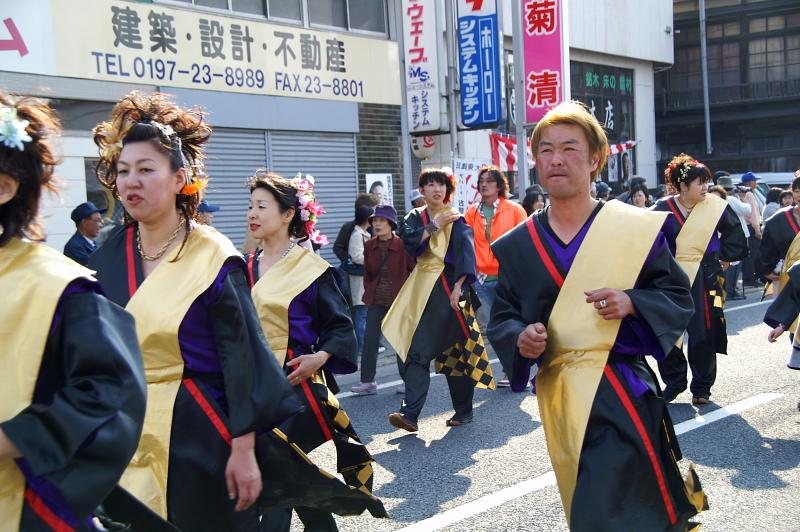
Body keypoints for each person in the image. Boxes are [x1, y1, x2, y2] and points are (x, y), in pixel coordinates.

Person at [89, 91, 356, 531]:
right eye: (122, 171)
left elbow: (241, 356)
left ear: (180, 179)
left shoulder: (212, 254)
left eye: (145, 170)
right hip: (127, 430)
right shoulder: (109, 254)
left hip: (199, 431)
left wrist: (244, 447)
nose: (130, 182)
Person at [488, 101, 706, 531]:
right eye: (546, 149)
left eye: (570, 148)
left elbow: (677, 295)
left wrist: (633, 302)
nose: (556, 159)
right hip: (562, 396)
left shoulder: (631, 227)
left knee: (617, 506)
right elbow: (504, 314)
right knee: (590, 499)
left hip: (624, 387)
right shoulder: (518, 244)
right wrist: (519, 337)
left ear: (594, 159)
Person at [0, 93, 148, 531]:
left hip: (23, 506)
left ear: (6, 185)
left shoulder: (58, 285)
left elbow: (109, 390)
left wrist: (14, 439)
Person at [244, 171, 386, 530]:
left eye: (262, 206)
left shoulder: (311, 270)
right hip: (253, 389)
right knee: (301, 487)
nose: (252, 214)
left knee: (276, 482)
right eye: (250, 206)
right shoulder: (242, 266)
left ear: (288, 214)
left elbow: (340, 326)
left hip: (298, 387)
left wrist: (320, 357)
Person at [383, 167, 495, 432]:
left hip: (448, 291)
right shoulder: (415, 216)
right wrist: (434, 226)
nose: (436, 189)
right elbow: (408, 242)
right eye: (430, 184)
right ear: (421, 191)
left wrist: (459, 287)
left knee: (456, 354)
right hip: (419, 288)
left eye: (441, 184)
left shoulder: (457, 219)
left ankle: (460, 411)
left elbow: (466, 254)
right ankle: (410, 413)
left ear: (448, 190)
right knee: (413, 348)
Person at [652, 155, 748, 405]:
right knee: (666, 331)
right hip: (669, 279)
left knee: (704, 330)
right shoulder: (661, 209)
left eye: (707, 182)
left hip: (705, 277)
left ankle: (702, 386)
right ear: (683, 186)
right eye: (700, 183)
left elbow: (733, 232)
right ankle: (674, 380)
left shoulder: (715, 206)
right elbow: (645, 242)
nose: (706, 187)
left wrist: (725, 257)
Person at [464, 165, 527, 387]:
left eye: (490, 180)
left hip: (508, 275)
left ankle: (515, 370)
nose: (484, 184)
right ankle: (511, 370)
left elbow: (524, 242)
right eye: (482, 181)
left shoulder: (515, 209)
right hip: (481, 278)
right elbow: (466, 244)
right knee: (493, 328)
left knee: (512, 324)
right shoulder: (471, 212)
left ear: (499, 185)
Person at [351, 205, 416, 395]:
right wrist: (370, 289)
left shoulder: (402, 245)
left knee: (399, 341)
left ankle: (406, 380)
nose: (377, 224)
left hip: (398, 300)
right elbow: (368, 272)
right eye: (375, 221)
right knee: (370, 340)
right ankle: (367, 382)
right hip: (376, 300)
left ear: (391, 224)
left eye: (381, 221)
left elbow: (413, 270)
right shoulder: (370, 245)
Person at [757, 172, 800, 327]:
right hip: (791, 277)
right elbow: (767, 247)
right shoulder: (778, 219)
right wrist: (768, 269)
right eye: (796, 190)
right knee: (793, 325)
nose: (799, 195)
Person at [717, 176, 752, 300]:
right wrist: (744, 198)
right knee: (735, 263)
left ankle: (729, 289)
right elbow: (747, 210)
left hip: (723, 235)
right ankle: (731, 289)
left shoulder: (719, 199)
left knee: (729, 263)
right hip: (737, 233)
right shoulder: (731, 199)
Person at [349, 204, 374, 358]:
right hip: (359, 280)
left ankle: (366, 346)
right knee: (361, 313)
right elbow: (357, 257)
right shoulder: (357, 235)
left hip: (365, 279)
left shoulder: (363, 233)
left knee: (364, 313)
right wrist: (375, 260)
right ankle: (363, 348)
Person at [740, 171, 764, 286]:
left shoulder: (745, 193)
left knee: (752, 254)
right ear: (749, 182)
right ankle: (749, 279)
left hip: (749, 226)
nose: (756, 183)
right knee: (752, 254)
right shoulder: (748, 194)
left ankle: (750, 277)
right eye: (755, 181)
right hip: (752, 226)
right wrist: (757, 230)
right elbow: (753, 213)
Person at [63, 201, 104, 266]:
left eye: (101, 221)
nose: (101, 225)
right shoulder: (74, 247)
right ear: (84, 222)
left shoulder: (94, 244)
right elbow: (97, 267)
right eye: (97, 221)